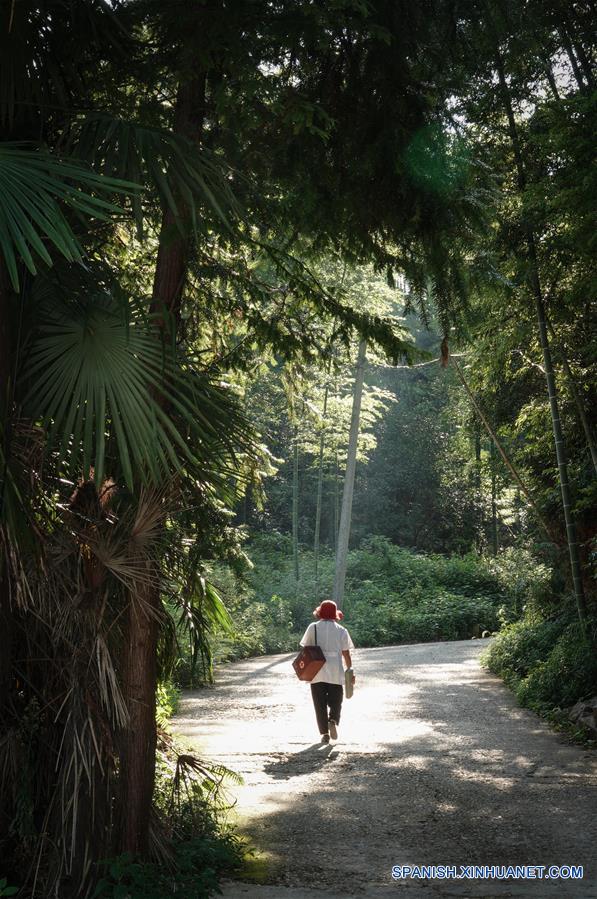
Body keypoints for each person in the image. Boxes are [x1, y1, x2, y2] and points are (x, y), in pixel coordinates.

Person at [300, 599, 355, 744]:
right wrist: (350, 671)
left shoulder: (313, 627)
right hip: (335, 670)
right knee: (337, 699)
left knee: (319, 702)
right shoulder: (342, 630)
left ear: (320, 612)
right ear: (335, 614)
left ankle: (324, 733)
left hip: (316, 669)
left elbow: (306, 649)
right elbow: (346, 653)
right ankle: (333, 719)